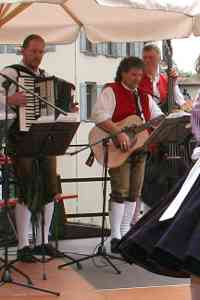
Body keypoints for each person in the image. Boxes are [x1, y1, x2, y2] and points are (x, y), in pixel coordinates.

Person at [0, 34, 76, 262]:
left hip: (45, 138)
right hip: (20, 137)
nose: (37, 56)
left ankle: (43, 241)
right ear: (22, 51)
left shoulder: (46, 78)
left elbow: (54, 109)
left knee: (51, 189)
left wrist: (68, 108)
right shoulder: (10, 73)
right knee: (26, 189)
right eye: (33, 51)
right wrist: (10, 101)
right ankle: (23, 245)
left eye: (41, 52)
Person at [92, 57, 164, 253]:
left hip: (140, 148)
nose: (137, 78)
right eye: (134, 74)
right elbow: (99, 115)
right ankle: (115, 236)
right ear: (123, 73)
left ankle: (125, 234)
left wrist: (168, 118)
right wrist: (118, 132)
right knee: (120, 191)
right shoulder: (111, 91)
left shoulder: (144, 96)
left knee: (135, 192)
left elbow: (157, 117)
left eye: (140, 75)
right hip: (117, 149)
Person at [139, 43, 189, 111]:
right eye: (145, 58)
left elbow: (180, 101)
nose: (147, 61)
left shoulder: (166, 79)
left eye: (151, 57)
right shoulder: (137, 79)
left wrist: (184, 106)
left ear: (159, 59)